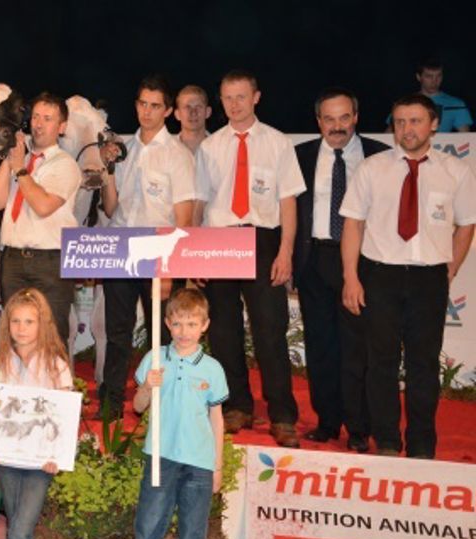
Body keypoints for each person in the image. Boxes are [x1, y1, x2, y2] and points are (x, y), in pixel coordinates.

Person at [341, 93, 476, 459]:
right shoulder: (372, 168)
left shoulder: (456, 171)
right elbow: (353, 224)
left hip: (428, 280)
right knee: (380, 363)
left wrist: (451, 268)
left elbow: (466, 225)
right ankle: (386, 441)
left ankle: (421, 446)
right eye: (400, 122)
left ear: (433, 124)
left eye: (415, 121)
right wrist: (351, 278)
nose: (407, 129)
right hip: (379, 275)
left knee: (423, 366)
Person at [194, 69, 304, 447]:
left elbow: (287, 201)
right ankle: (237, 405)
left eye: (241, 96)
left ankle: (283, 415)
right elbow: (200, 204)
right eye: (227, 97)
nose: (234, 104)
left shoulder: (277, 143)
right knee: (223, 332)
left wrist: (285, 250)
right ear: (220, 101)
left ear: (256, 97)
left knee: (269, 332)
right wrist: (195, 254)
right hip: (219, 240)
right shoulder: (210, 147)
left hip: (262, 239)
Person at [293, 87, 389, 452]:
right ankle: (328, 422)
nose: (337, 126)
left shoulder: (380, 156)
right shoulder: (300, 156)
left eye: (344, 118)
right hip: (314, 262)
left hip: (361, 265)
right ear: (318, 121)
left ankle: (360, 429)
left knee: (358, 350)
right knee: (320, 348)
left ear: (356, 118)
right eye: (329, 119)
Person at [96, 75, 196, 420]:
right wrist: (107, 171)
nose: (147, 112)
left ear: (168, 110)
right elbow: (111, 208)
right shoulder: (124, 148)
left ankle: (161, 405)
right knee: (117, 333)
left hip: (159, 255)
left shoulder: (177, 155)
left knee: (161, 338)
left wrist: (169, 268)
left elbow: (184, 218)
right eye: (142, 104)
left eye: (155, 106)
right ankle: (110, 404)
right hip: (123, 249)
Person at [130, 288, 227, 539]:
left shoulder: (213, 368)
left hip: (199, 462)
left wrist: (217, 467)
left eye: (192, 324)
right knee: (147, 532)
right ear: (167, 323)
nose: (184, 331)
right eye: (178, 323)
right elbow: (137, 407)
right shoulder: (155, 358)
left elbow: (216, 419)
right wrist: (147, 386)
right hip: (161, 457)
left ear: (205, 326)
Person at [0, 288, 74, 539]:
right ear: (6, 324)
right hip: (7, 461)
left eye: (29, 322)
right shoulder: (0, 365)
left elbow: (64, 418)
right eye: (16, 321)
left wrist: (56, 455)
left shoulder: (57, 366)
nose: (21, 329)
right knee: (18, 533)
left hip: (39, 464)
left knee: (20, 531)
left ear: (42, 325)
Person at [0, 92, 81, 343]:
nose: (38, 124)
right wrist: (9, 162)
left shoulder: (65, 164)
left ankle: (52, 383)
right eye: (36, 117)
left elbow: (42, 205)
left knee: (51, 337)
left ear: (61, 127)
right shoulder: (19, 158)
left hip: (49, 261)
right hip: (12, 259)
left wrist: (19, 168)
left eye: (48, 119)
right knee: (15, 336)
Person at [385, 60, 472, 133]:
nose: (434, 81)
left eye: (438, 76)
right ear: (419, 77)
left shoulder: (455, 104)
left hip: (442, 149)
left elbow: (466, 138)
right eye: (429, 76)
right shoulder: (404, 103)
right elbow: (388, 135)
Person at [173, 84, 212, 154]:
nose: (193, 112)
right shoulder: (165, 149)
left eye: (198, 107)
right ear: (177, 114)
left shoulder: (222, 147)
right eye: (187, 107)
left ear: (208, 112)